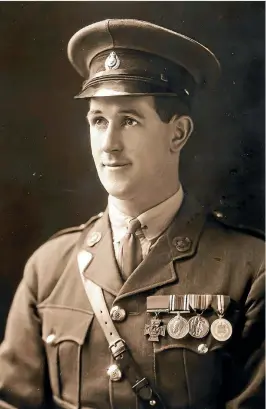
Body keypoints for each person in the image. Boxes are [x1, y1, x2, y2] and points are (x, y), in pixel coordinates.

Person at [0, 18, 264, 409]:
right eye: (98, 121)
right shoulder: (49, 267)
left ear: (178, 134)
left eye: (129, 120)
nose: (109, 144)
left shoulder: (250, 270)